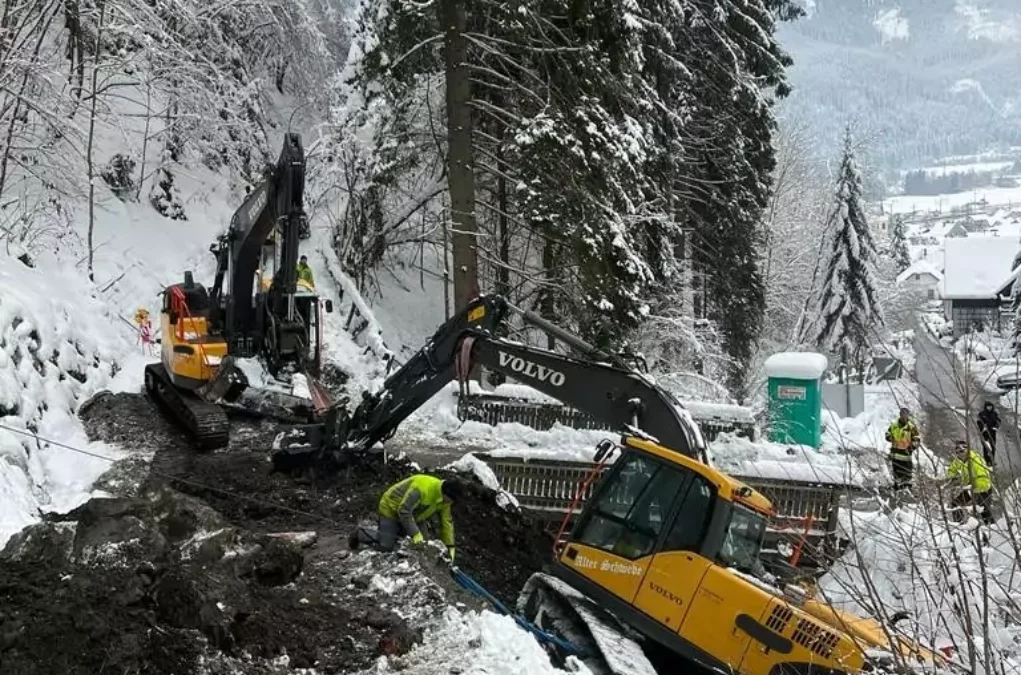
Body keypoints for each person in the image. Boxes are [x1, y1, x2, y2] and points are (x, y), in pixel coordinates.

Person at [349, 475, 463, 561]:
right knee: (387, 546)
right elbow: (404, 511)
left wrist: (450, 546)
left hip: (416, 516)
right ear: (444, 493)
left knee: (424, 547)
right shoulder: (421, 488)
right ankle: (359, 533)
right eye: (449, 500)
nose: (449, 503)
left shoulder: (446, 501)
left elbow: (446, 521)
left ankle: (400, 532)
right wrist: (415, 533)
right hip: (391, 509)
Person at [947, 440, 994, 525]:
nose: (960, 454)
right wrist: (951, 478)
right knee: (956, 503)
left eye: (962, 451)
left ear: (967, 450)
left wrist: (976, 488)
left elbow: (983, 475)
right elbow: (951, 470)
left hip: (983, 487)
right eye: (957, 452)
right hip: (970, 487)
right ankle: (960, 525)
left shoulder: (975, 459)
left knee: (983, 510)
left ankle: (992, 527)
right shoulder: (958, 461)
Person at [886, 407, 921, 491]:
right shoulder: (894, 425)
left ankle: (907, 490)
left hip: (906, 455)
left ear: (908, 415)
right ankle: (897, 488)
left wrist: (911, 448)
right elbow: (887, 434)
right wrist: (891, 438)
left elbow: (917, 439)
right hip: (895, 454)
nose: (904, 416)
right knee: (896, 473)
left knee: (907, 473)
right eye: (902, 414)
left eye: (905, 414)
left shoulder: (911, 426)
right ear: (900, 414)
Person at [976, 401, 1000, 466]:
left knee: (993, 447)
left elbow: (998, 421)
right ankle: (987, 461)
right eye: (988, 406)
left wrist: (996, 427)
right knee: (986, 447)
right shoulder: (982, 414)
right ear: (985, 407)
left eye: (990, 406)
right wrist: (983, 428)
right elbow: (978, 422)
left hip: (992, 433)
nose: (989, 408)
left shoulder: (994, 413)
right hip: (985, 433)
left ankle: (992, 460)